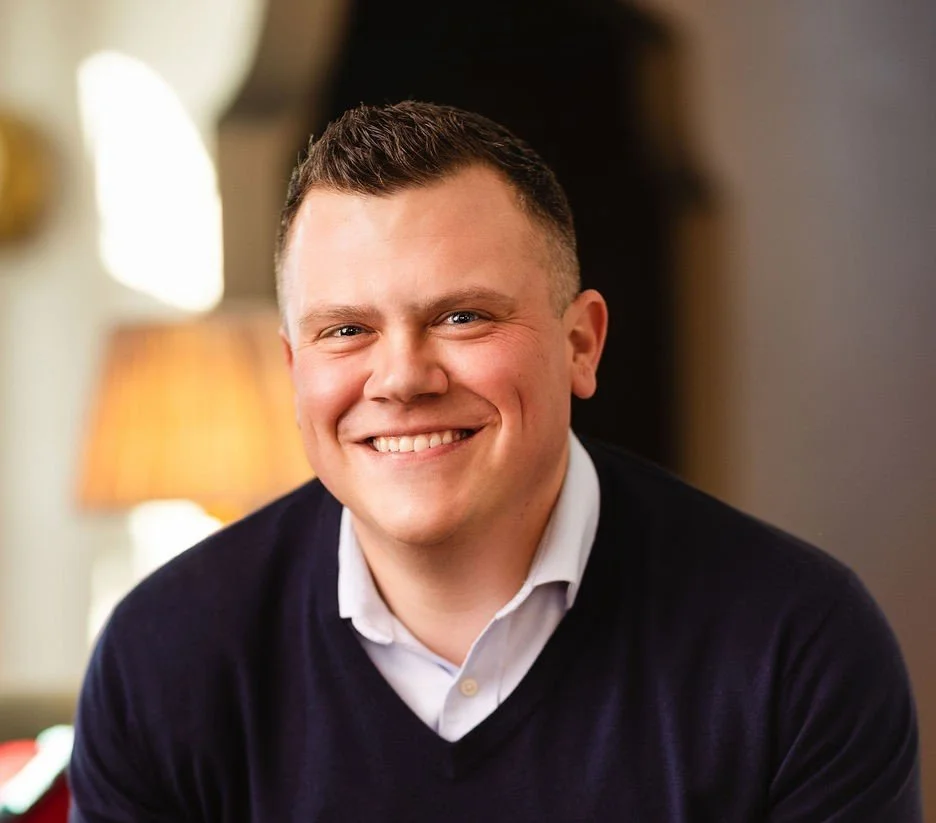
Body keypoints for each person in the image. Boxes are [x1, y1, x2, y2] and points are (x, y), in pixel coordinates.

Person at [68, 101, 922, 822]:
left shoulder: (798, 645)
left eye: (462, 317)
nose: (403, 377)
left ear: (581, 343)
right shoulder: (163, 659)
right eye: (346, 330)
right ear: (294, 373)